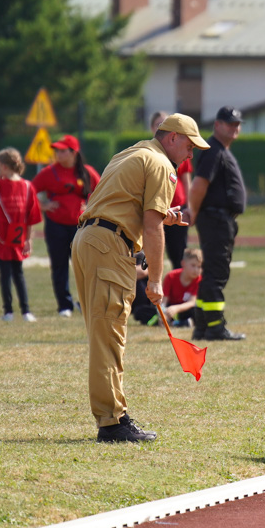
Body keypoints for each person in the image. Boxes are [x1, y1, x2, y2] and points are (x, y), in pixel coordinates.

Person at [71, 113, 205, 443]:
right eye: (189, 146)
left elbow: (125, 204)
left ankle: (112, 416)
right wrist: (156, 280)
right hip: (108, 246)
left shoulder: (131, 153)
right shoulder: (162, 165)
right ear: (172, 138)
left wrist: (164, 218)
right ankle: (112, 422)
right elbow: (151, 224)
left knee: (103, 333)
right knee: (109, 337)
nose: (190, 155)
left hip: (89, 241)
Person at [187, 106, 247, 341]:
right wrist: (194, 211)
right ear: (217, 125)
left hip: (218, 218)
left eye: (237, 124)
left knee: (211, 271)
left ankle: (202, 326)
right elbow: (199, 184)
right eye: (230, 123)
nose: (235, 128)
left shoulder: (220, 150)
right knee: (217, 272)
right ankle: (215, 327)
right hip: (215, 218)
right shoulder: (213, 151)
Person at [31, 134, 101, 317]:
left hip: (81, 227)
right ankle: (64, 305)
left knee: (86, 266)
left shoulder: (86, 172)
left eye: (63, 151)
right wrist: (44, 206)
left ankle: (85, 302)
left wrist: (90, 206)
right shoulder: (48, 172)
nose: (58, 155)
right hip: (56, 225)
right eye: (57, 151)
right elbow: (28, 192)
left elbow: (103, 192)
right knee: (59, 265)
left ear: (74, 153)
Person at [0, 148, 42, 322]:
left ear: (2, 166)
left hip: (12, 236)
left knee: (10, 274)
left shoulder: (23, 186)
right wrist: (29, 239)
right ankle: (20, 311)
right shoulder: (14, 185)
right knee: (15, 273)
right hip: (12, 237)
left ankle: (13, 311)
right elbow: (32, 217)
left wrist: (28, 239)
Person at [151, 112, 194, 271]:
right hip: (155, 210)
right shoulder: (150, 154)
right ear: (152, 128)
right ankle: (151, 293)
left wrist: (190, 207)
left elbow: (186, 181)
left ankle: (179, 293)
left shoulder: (179, 152)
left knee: (178, 254)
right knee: (151, 255)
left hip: (177, 208)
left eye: (165, 123)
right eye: (158, 125)